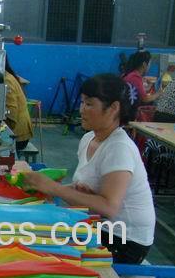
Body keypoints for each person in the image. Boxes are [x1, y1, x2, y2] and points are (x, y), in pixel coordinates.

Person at [22, 74, 155, 264]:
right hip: (99, 225)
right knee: (32, 234)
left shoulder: (119, 147)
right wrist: (43, 186)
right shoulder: (89, 139)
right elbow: (86, 190)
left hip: (124, 240)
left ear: (113, 108)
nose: (81, 109)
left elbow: (108, 207)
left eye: (89, 104)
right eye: (82, 102)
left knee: (37, 250)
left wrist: (54, 188)